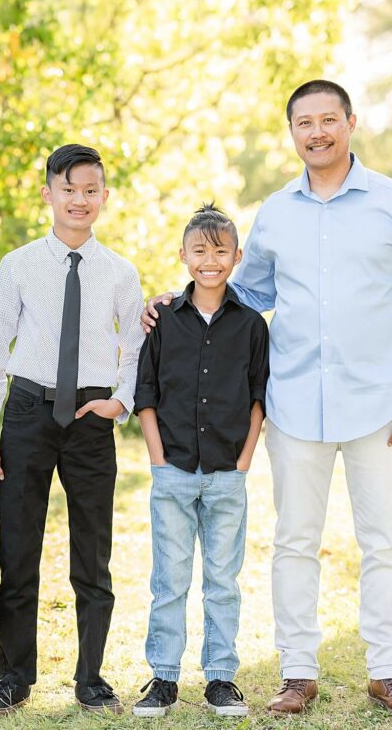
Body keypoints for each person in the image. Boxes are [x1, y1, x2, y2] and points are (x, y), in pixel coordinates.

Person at [143, 80, 392, 717]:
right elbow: (244, 296)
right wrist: (176, 303)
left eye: (328, 120)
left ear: (351, 123)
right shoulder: (276, 212)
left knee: (384, 540)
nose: (317, 132)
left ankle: (388, 672)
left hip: (381, 406)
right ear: (292, 133)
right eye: (304, 123)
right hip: (295, 403)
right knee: (294, 542)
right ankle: (297, 673)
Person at [0, 144, 145, 715]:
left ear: (105, 197)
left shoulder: (119, 271)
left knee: (93, 554)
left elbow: (137, 346)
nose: (79, 199)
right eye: (68, 189)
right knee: (18, 550)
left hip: (91, 419)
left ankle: (91, 679)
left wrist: (121, 401)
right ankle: (13, 676)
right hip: (27, 414)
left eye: (91, 190)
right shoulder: (19, 265)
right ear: (48, 194)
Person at [131, 204, 268, 718]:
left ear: (235, 257)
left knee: (223, 581)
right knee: (169, 579)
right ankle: (163, 678)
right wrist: (159, 459)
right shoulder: (163, 319)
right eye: (199, 251)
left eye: (220, 251)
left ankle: (220, 678)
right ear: (183, 256)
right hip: (174, 471)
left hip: (227, 473)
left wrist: (244, 461)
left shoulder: (251, 325)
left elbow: (258, 398)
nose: (209, 260)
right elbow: (146, 392)